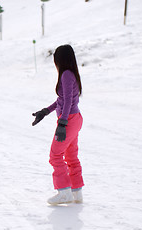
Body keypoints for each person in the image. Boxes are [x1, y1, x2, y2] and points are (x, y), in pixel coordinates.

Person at [32, 44, 84, 205]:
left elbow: (67, 101)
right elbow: (62, 100)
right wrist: (45, 111)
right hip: (75, 119)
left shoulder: (66, 75)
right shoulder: (71, 73)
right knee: (71, 156)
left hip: (69, 120)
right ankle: (76, 193)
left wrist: (62, 123)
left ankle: (64, 193)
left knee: (55, 155)